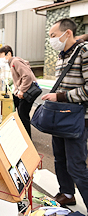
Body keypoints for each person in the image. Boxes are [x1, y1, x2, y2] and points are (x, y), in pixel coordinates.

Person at [42, 18, 88, 209]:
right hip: (60, 118)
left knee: (76, 165)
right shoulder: (62, 55)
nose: (51, 40)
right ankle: (67, 193)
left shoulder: (84, 52)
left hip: (76, 119)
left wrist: (60, 97)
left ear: (67, 33)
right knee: (59, 159)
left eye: (53, 35)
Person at [0, 45, 36, 137]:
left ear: (9, 54)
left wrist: (21, 90)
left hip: (27, 92)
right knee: (21, 114)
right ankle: (22, 136)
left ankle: (27, 138)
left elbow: (27, 76)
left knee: (23, 115)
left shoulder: (15, 61)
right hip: (21, 92)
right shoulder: (12, 62)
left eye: (1, 55)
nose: (0, 58)